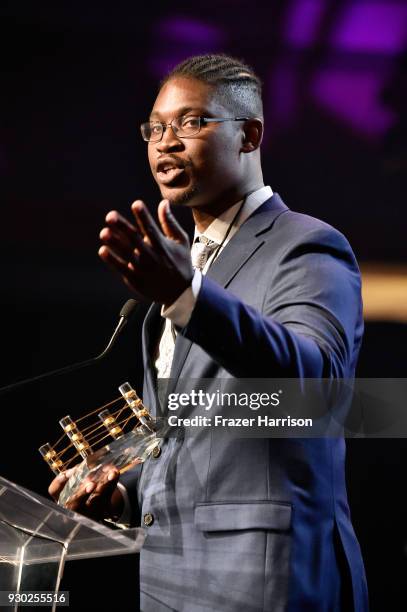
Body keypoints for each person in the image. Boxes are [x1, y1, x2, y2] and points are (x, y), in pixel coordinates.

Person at [49, 54, 368, 611]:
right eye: (156, 126)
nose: (165, 141)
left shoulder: (307, 246)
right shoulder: (175, 277)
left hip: (260, 581)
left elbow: (316, 386)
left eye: (192, 122)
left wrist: (186, 295)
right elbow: (187, 441)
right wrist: (120, 494)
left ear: (249, 135)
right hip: (166, 577)